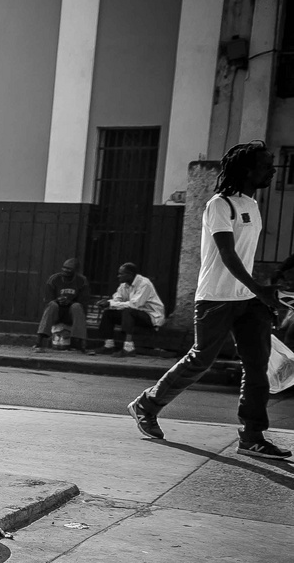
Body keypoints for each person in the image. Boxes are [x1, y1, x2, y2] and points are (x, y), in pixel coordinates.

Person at [129, 141, 291, 459]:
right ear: (246, 170)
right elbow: (227, 254)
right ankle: (146, 405)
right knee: (201, 360)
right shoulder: (219, 205)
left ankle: (252, 436)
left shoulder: (252, 205)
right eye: (265, 166)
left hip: (248, 299)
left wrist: (261, 293)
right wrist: (261, 289)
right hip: (216, 299)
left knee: (257, 366)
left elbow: (243, 258)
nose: (272, 171)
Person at [93, 262, 166, 355]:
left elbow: (135, 305)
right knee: (109, 313)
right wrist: (108, 303)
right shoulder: (124, 285)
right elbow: (117, 299)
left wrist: (111, 303)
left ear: (130, 274)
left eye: (121, 274)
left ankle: (128, 347)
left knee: (129, 311)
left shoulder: (144, 284)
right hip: (135, 314)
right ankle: (109, 345)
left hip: (151, 317)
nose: (118, 276)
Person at [34, 257, 91, 352]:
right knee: (52, 304)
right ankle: (39, 340)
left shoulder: (82, 281)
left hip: (71, 314)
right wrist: (58, 300)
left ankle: (81, 343)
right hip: (56, 312)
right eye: (64, 267)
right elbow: (47, 300)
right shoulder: (54, 279)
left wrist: (70, 302)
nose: (65, 270)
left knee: (77, 306)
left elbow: (83, 303)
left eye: (69, 269)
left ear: (76, 270)